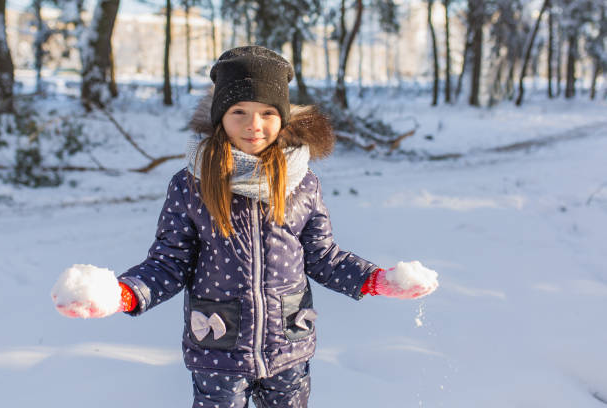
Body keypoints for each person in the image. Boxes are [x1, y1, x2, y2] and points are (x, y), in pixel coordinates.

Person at [52, 45, 437, 408]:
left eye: (268, 113)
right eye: (239, 111)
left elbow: (323, 257)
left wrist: (376, 279)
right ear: (220, 115)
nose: (254, 125)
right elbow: (169, 263)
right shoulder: (191, 183)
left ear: (283, 117)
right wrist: (122, 293)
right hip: (218, 347)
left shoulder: (302, 182)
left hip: (289, 344)